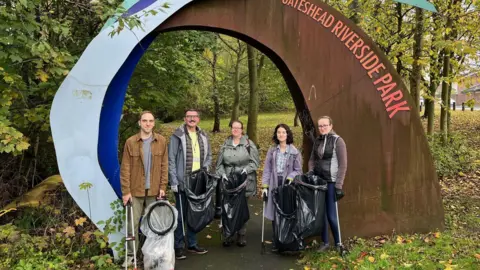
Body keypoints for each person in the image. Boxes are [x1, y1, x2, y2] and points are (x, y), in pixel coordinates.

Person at [120, 111, 168, 267]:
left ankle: (152, 256)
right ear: (139, 123)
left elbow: (164, 166)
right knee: (131, 226)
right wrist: (126, 191)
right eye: (145, 120)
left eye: (151, 121)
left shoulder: (161, 141)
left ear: (154, 123)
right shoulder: (131, 142)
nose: (148, 123)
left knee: (154, 226)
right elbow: (125, 168)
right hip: (135, 191)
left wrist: (163, 186)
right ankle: (131, 256)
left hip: (154, 191)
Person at [168, 109, 211, 260]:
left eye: (194, 116)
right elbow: (171, 159)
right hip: (181, 181)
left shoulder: (203, 135)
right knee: (180, 215)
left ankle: (192, 244)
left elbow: (209, 156)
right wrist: (173, 180)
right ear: (185, 118)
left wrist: (205, 171)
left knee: (194, 214)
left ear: (198, 119)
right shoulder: (177, 135)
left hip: (197, 182)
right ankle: (178, 245)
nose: (192, 119)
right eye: (189, 116)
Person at [308, 116, 348, 256]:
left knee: (331, 215)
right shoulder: (318, 141)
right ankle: (325, 243)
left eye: (325, 125)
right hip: (319, 182)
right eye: (320, 126)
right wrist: (311, 171)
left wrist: (339, 186)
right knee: (322, 214)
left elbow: (343, 165)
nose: (322, 128)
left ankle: (338, 243)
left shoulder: (338, 141)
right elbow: (312, 159)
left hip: (331, 182)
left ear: (331, 125)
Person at [216, 120, 260, 247]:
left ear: (242, 129)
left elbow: (255, 163)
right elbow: (219, 165)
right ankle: (228, 234)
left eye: (238, 128)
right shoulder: (225, 145)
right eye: (233, 128)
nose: (235, 130)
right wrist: (223, 175)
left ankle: (241, 234)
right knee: (227, 208)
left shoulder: (248, 144)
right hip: (228, 181)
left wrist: (245, 171)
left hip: (243, 181)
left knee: (241, 208)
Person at [261, 123, 302, 251]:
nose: (281, 134)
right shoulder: (272, 150)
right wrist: (265, 186)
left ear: (287, 134)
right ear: (276, 134)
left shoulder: (294, 152)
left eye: (283, 132)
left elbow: (298, 170)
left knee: (285, 210)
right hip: (274, 182)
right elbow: (267, 169)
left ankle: (286, 239)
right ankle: (276, 239)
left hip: (287, 185)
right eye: (279, 132)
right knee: (275, 210)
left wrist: (291, 176)